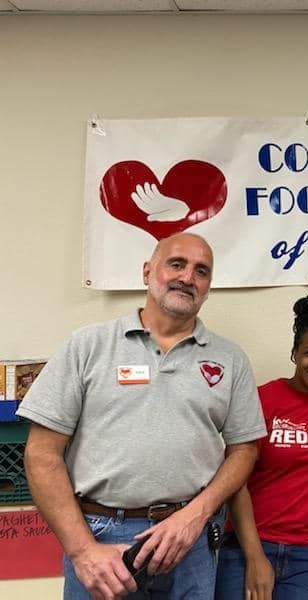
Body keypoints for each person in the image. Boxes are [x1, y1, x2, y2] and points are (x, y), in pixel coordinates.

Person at [18, 232, 267, 600]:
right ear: (148, 271)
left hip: (190, 542)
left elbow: (244, 451)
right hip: (101, 540)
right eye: (177, 264)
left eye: (201, 271)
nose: (187, 277)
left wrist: (197, 513)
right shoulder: (87, 346)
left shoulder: (230, 359)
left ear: (208, 286)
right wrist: (83, 551)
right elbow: (41, 454)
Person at [215, 296, 308, 600]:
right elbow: (235, 481)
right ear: (294, 354)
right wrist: (255, 557)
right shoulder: (262, 399)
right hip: (249, 545)